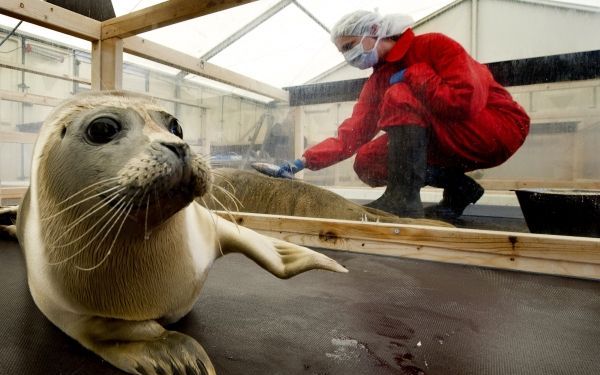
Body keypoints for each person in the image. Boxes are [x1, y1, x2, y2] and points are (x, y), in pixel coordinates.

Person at [275, 10, 530, 220]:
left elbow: (465, 101)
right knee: (368, 161)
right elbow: (352, 134)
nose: (347, 56)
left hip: (496, 127)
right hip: (447, 138)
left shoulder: (434, 45)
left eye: (349, 46)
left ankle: (403, 199)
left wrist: (413, 76)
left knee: (399, 95)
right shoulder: (378, 80)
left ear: (373, 32)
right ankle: (458, 188)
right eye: (342, 51)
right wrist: (302, 163)